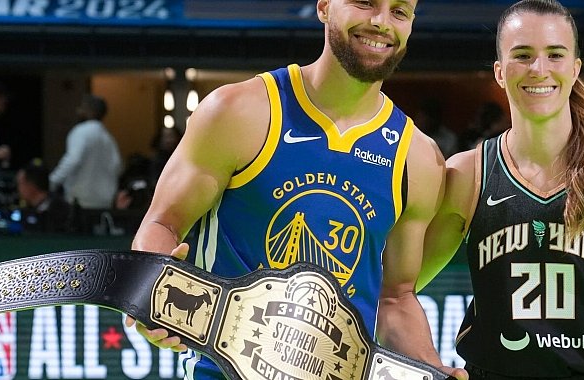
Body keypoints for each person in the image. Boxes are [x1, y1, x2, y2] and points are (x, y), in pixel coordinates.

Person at [127, 1, 463, 379]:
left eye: (399, 11)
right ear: (324, 7)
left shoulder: (417, 156)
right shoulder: (239, 110)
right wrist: (152, 289)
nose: (381, 22)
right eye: (365, 2)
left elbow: (396, 297)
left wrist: (431, 369)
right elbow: (163, 223)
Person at [419, 1, 584, 378]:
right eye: (522, 55)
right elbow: (397, 289)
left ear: (575, 69)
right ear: (499, 72)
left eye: (555, 54)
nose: (539, 68)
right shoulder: (468, 173)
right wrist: (424, 362)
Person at [50, 94, 122, 210]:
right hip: (104, 201)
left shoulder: (81, 131)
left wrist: (52, 181)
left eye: (82, 107)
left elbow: (73, 159)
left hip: (81, 200)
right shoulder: (108, 137)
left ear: (89, 111)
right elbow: (118, 166)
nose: (78, 110)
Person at [17, 161, 73, 233]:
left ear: (31, 185)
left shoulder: (61, 211)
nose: (18, 189)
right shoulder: (25, 210)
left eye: (20, 184)